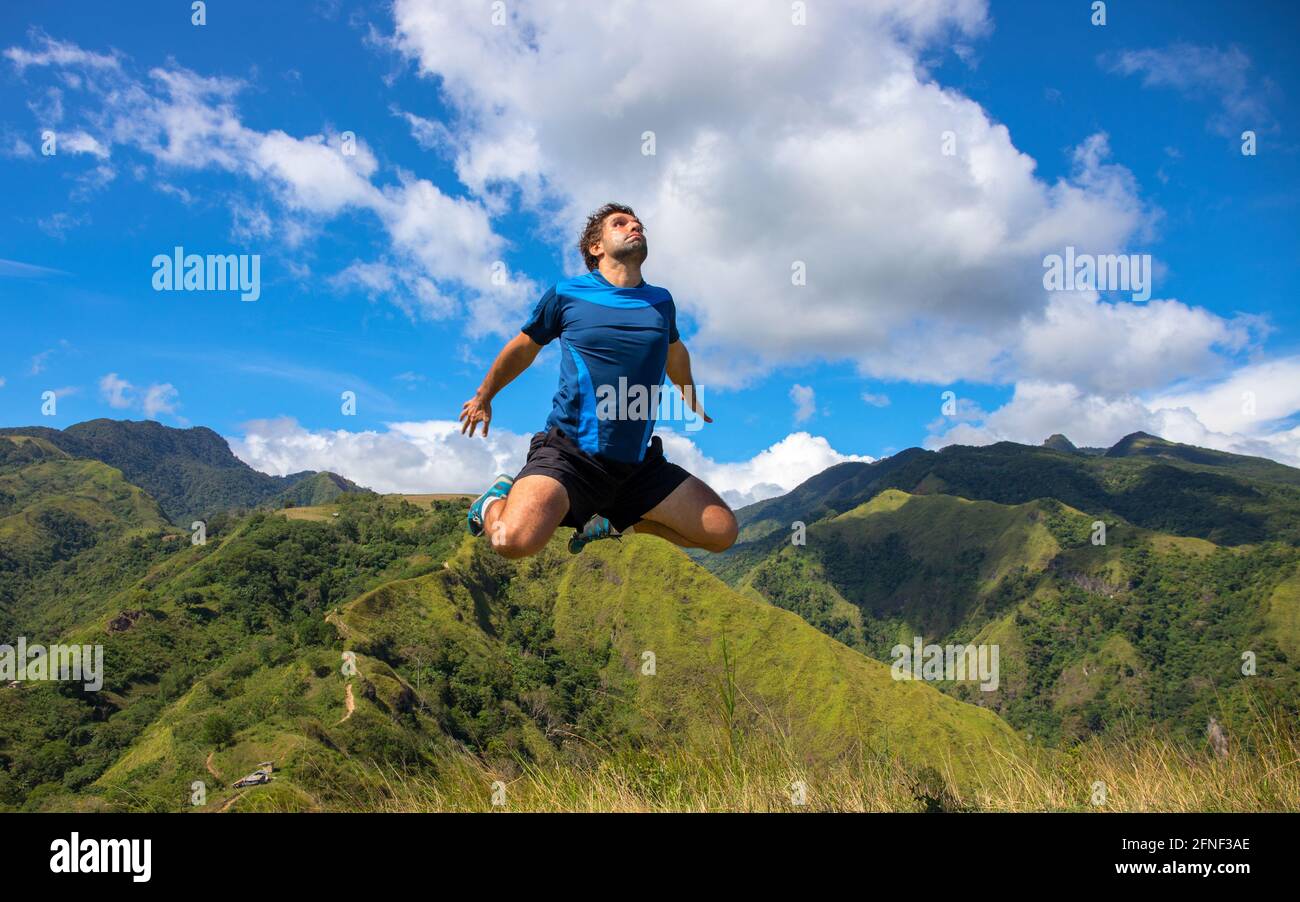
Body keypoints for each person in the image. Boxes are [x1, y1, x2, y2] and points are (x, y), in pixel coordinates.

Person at [459, 202, 738, 558]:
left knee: (722, 533)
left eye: (638, 224)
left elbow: (675, 353)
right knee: (510, 542)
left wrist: (689, 395)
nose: (634, 226)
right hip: (570, 455)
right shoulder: (567, 294)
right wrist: (485, 395)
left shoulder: (661, 302)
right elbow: (523, 348)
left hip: (637, 467)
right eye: (620, 223)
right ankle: (494, 500)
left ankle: (613, 522)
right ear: (596, 247)